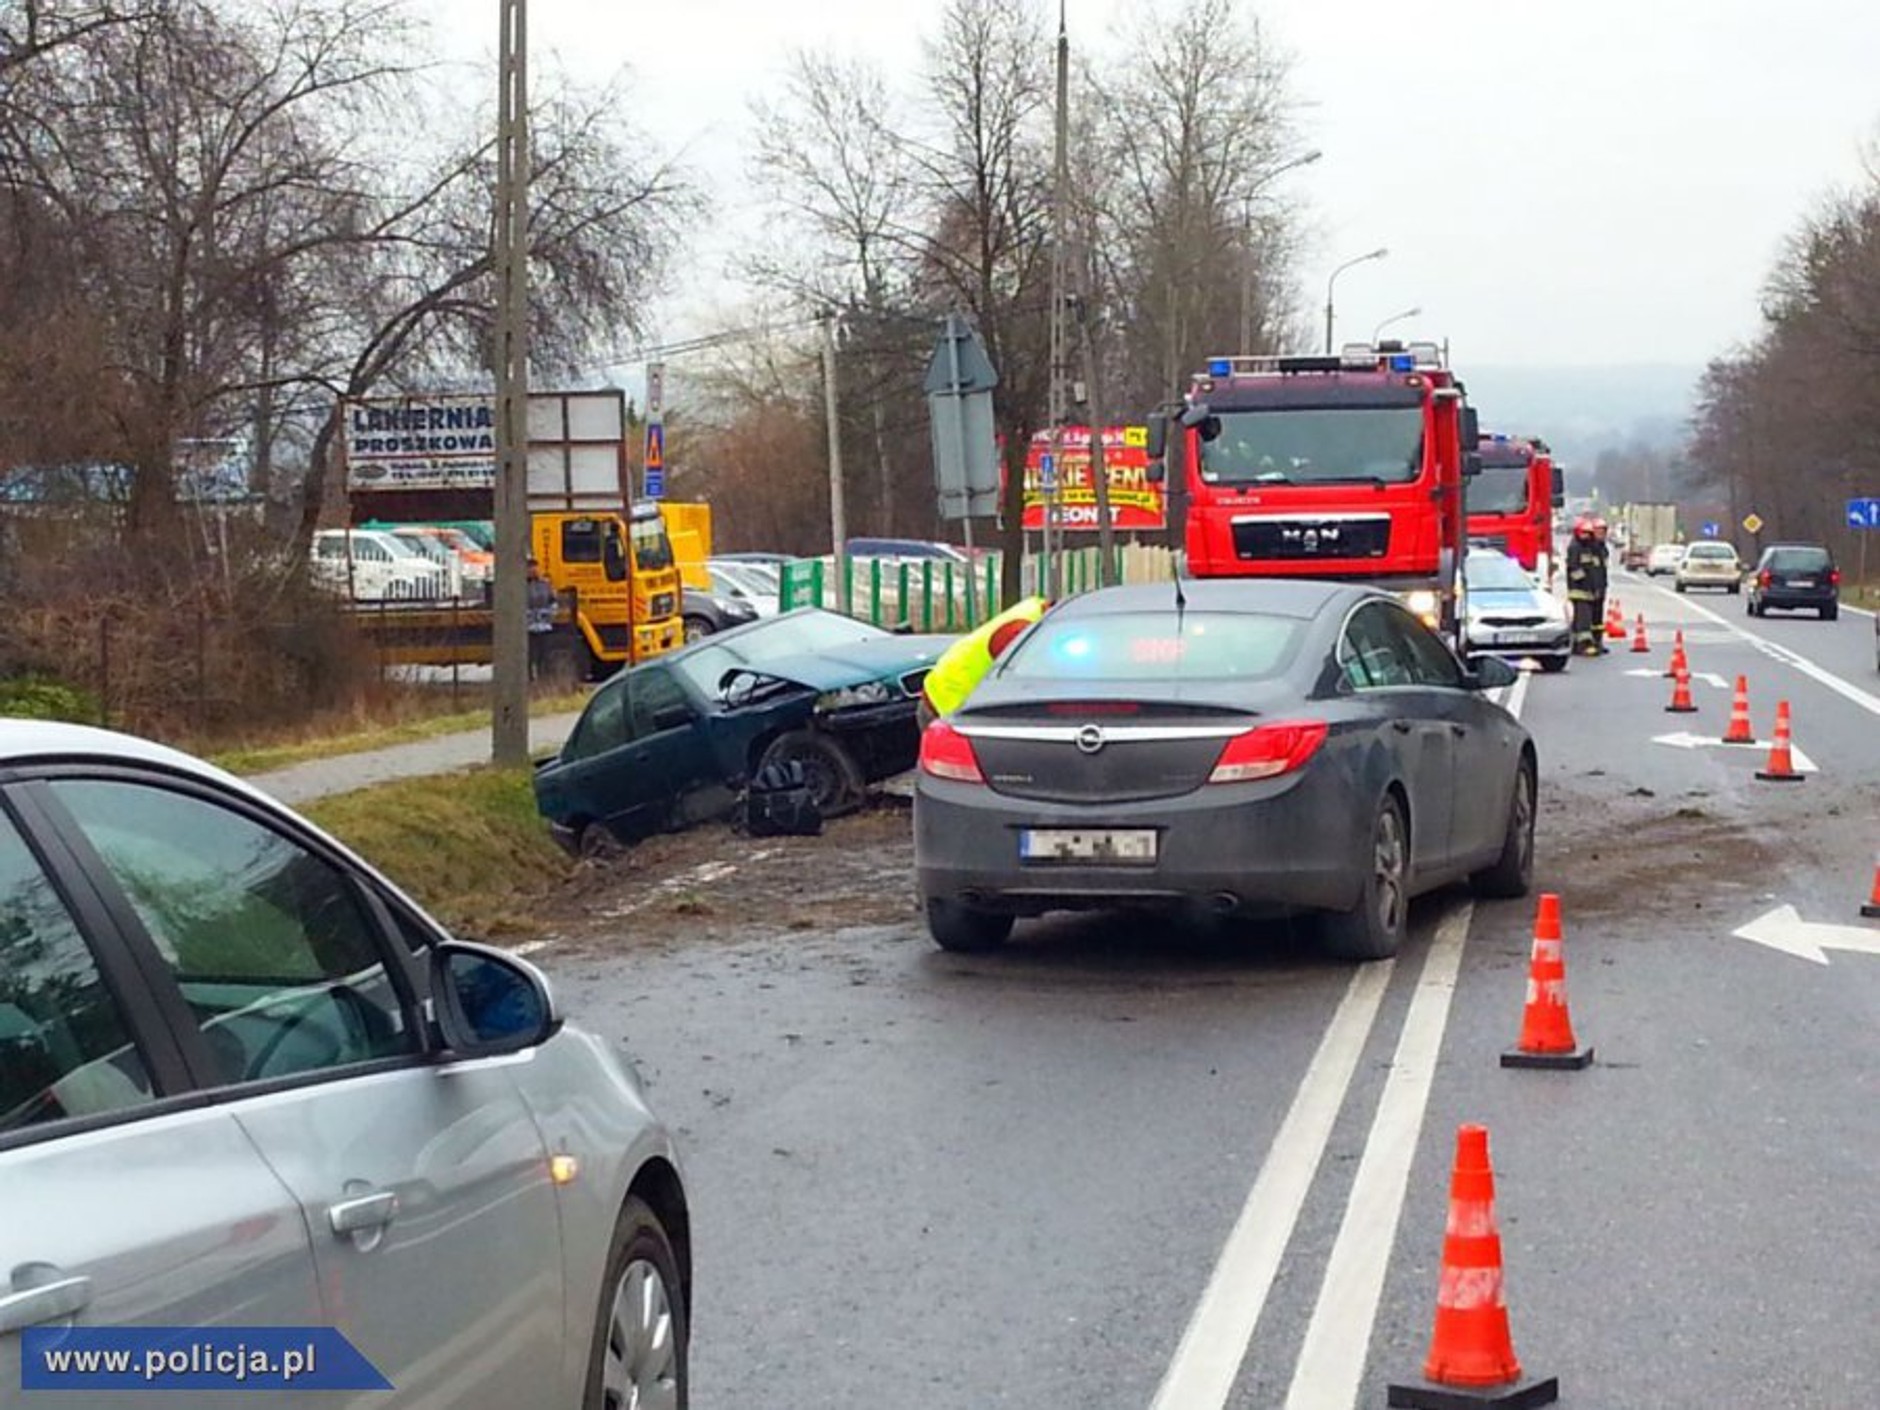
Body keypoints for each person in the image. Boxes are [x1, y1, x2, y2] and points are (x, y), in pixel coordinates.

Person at [918, 595, 1050, 729]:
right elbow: (1022, 687)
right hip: (949, 706)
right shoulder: (1020, 631)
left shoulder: (1035, 608)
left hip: (945, 695)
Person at [1564, 518, 1604, 657]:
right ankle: (1583, 645)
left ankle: (1580, 644)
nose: (1586, 536)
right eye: (1583, 533)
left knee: (1588, 620)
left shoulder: (1592, 548)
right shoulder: (1575, 548)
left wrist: (1598, 586)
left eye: (1588, 534)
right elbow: (1574, 569)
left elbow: (1597, 570)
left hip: (1591, 591)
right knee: (1583, 621)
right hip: (1579, 591)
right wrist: (1586, 584)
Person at [526, 556, 557, 679]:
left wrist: (551, 613)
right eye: (530, 568)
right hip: (528, 627)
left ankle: (543, 677)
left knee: (543, 654)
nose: (533, 570)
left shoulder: (545, 584)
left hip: (544, 626)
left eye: (534, 567)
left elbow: (553, 601)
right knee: (529, 655)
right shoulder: (521, 585)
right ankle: (529, 679)